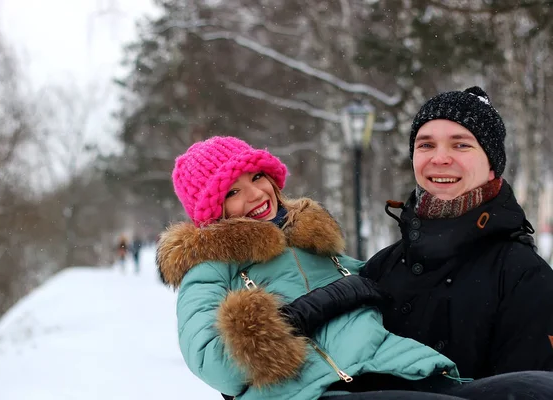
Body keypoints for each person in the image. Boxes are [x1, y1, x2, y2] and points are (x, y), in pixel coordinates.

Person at [287, 86, 553, 398]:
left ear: (492, 164)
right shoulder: (382, 267)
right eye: (426, 145)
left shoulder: (523, 276)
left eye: (461, 145)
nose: (440, 158)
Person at [156, 136, 466, 400]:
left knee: (514, 387)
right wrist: (290, 319)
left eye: (256, 177)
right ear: (214, 211)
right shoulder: (209, 269)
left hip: (393, 370)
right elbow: (213, 362)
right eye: (232, 192)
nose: (255, 195)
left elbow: (382, 282)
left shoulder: (311, 242)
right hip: (314, 391)